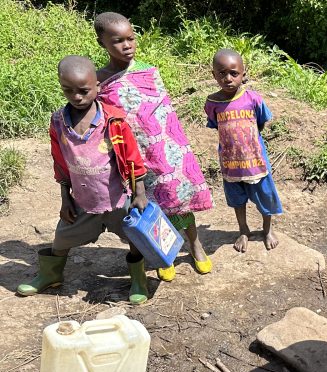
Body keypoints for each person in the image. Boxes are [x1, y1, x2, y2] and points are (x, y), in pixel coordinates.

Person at [17, 56, 150, 304]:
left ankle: (138, 279)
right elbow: (60, 161)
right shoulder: (58, 122)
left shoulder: (114, 121)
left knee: (134, 238)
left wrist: (139, 193)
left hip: (117, 197)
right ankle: (50, 275)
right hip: (83, 199)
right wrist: (65, 198)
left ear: (97, 85)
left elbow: (132, 157)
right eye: (68, 90)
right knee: (62, 237)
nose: (76, 96)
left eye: (84, 90)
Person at [94, 12, 214, 280]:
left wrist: (177, 150)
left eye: (131, 39)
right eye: (118, 41)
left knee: (177, 197)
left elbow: (166, 114)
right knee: (148, 205)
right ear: (102, 42)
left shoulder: (147, 71)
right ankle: (163, 252)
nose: (127, 45)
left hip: (163, 150)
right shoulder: (98, 81)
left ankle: (195, 244)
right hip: (130, 154)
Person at [204, 49, 283, 252]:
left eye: (234, 73)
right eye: (221, 73)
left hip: (255, 161)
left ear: (243, 73)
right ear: (214, 75)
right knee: (237, 199)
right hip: (230, 163)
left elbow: (261, 121)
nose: (228, 78)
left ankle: (267, 230)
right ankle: (243, 230)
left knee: (265, 196)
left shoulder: (253, 98)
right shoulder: (212, 103)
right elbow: (216, 125)